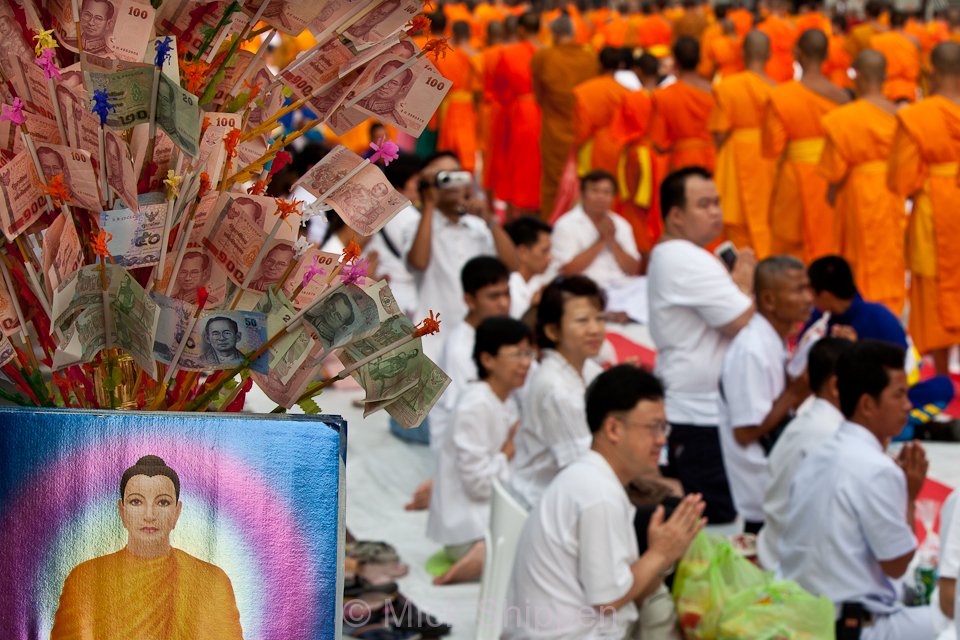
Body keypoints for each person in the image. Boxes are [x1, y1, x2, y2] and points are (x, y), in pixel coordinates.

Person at [503, 365, 706, 639]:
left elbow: (626, 589)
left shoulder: (592, 478)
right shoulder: (597, 493)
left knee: (659, 604)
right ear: (613, 428)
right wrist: (660, 552)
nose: (661, 440)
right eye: (653, 428)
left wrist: (664, 557)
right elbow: (609, 600)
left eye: (664, 427)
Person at [779, 341, 936, 640]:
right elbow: (897, 564)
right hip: (851, 626)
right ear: (867, 404)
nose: (908, 406)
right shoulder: (877, 468)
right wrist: (910, 497)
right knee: (948, 620)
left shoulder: (821, 452)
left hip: (801, 614)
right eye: (899, 395)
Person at [647, 167, 755, 524]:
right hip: (697, 411)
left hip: (699, 405)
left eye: (717, 203)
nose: (715, 212)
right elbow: (744, 321)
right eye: (703, 204)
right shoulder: (683, 256)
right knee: (714, 518)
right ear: (676, 215)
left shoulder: (688, 254)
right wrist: (743, 281)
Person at [51, 455, 243, 639]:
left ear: (176, 512)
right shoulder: (84, 578)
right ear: (122, 511)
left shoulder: (212, 581)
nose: (149, 515)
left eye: (162, 502)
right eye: (136, 501)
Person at [427, 317, 533, 585]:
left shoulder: (503, 400)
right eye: (517, 354)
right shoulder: (475, 406)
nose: (526, 363)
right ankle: (481, 555)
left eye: (528, 353)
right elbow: (478, 484)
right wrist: (508, 451)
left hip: (486, 517)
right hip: (468, 530)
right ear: (487, 360)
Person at [804, 255, 956, 439]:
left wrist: (854, 352)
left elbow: (898, 377)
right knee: (897, 429)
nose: (806, 299)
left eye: (810, 292)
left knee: (943, 388)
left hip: (877, 398)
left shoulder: (879, 318)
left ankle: (904, 428)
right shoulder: (818, 318)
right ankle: (916, 430)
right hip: (835, 402)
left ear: (825, 295)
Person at [718, 256, 814, 534]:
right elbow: (746, 432)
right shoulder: (751, 350)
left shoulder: (773, 339)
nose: (808, 298)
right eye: (798, 290)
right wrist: (795, 392)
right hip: (761, 490)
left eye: (808, 288)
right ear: (769, 300)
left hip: (778, 479)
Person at [887, 41, 960, 377]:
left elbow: (902, 179)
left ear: (932, 72)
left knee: (934, 287)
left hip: (934, 210)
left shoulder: (917, 117)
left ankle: (944, 375)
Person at [404, 151, 517, 362]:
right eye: (442, 175)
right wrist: (428, 203)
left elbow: (511, 265)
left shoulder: (479, 226)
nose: (452, 182)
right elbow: (419, 262)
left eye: (457, 174)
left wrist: (490, 220)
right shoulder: (417, 226)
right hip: (433, 341)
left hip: (477, 339)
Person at [819, 50, 907, 316]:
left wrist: (832, 193)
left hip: (856, 192)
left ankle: (862, 308)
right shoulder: (901, 116)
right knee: (890, 254)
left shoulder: (845, 118)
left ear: (857, 78)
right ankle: (890, 309)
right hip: (892, 192)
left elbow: (834, 170)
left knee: (860, 257)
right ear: (885, 78)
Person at [757, 336, 852, 570]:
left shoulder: (806, 422)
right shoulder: (831, 436)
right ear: (836, 386)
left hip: (773, 548)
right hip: (796, 568)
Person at [510, 275, 606, 508]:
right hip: (541, 502)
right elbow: (583, 469)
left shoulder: (589, 370)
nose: (595, 329)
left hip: (573, 490)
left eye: (599, 318)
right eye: (583, 321)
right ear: (553, 331)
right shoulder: (556, 388)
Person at [762, 28, 848, 262]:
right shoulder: (842, 98)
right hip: (833, 178)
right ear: (827, 56)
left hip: (794, 178)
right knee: (828, 241)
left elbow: (772, 147)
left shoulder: (782, 95)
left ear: (797, 54)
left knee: (791, 246)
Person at [710, 30, 777, 259]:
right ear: (769, 55)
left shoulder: (728, 86)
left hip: (735, 156)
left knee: (735, 222)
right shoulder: (777, 90)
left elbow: (719, 132)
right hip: (768, 158)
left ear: (742, 53)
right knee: (767, 218)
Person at [552, 171, 640, 293]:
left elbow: (633, 269)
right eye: (595, 191)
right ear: (582, 194)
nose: (601, 197)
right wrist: (601, 241)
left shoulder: (622, 224)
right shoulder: (565, 224)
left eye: (606, 192)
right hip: (584, 290)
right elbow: (566, 270)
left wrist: (612, 241)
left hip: (622, 286)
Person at [493, 11, 542, 217]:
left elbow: (499, 87)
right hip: (544, 111)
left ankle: (516, 209)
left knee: (517, 163)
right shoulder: (546, 52)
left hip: (519, 113)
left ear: (521, 29)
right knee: (538, 163)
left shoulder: (508, 53)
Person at [649, 36, 717, 173]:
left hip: (680, 162)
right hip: (713, 160)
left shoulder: (663, 95)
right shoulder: (715, 92)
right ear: (699, 60)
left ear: (675, 62)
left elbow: (658, 145)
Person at [573, 47, 629, 176]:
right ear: (620, 65)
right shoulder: (627, 93)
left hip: (589, 149)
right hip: (619, 150)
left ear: (599, 64)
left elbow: (580, 128)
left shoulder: (582, 91)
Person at [434, 20, 480, 173]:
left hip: (451, 104)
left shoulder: (447, 55)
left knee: (450, 143)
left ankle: (449, 169)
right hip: (469, 106)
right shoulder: (477, 55)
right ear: (470, 33)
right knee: (468, 143)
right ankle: (467, 172)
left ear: (452, 34)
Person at [504, 216, 553, 319]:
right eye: (544, 251)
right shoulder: (505, 288)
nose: (550, 257)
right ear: (523, 252)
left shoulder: (543, 285)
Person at [870, 11, 922, 104]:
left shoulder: (878, 40)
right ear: (906, 23)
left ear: (889, 22)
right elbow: (918, 63)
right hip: (908, 88)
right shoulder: (914, 40)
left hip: (885, 87)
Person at [356, 61, 415, 129]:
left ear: (402, 89)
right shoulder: (357, 101)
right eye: (383, 78)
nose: (384, 85)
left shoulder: (396, 124)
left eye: (393, 83)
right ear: (376, 77)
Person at [757, 0, 797, 82]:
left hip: (767, 72)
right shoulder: (790, 28)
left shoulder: (762, 28)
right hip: (787, 71)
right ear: (784, 8)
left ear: (768, 8)